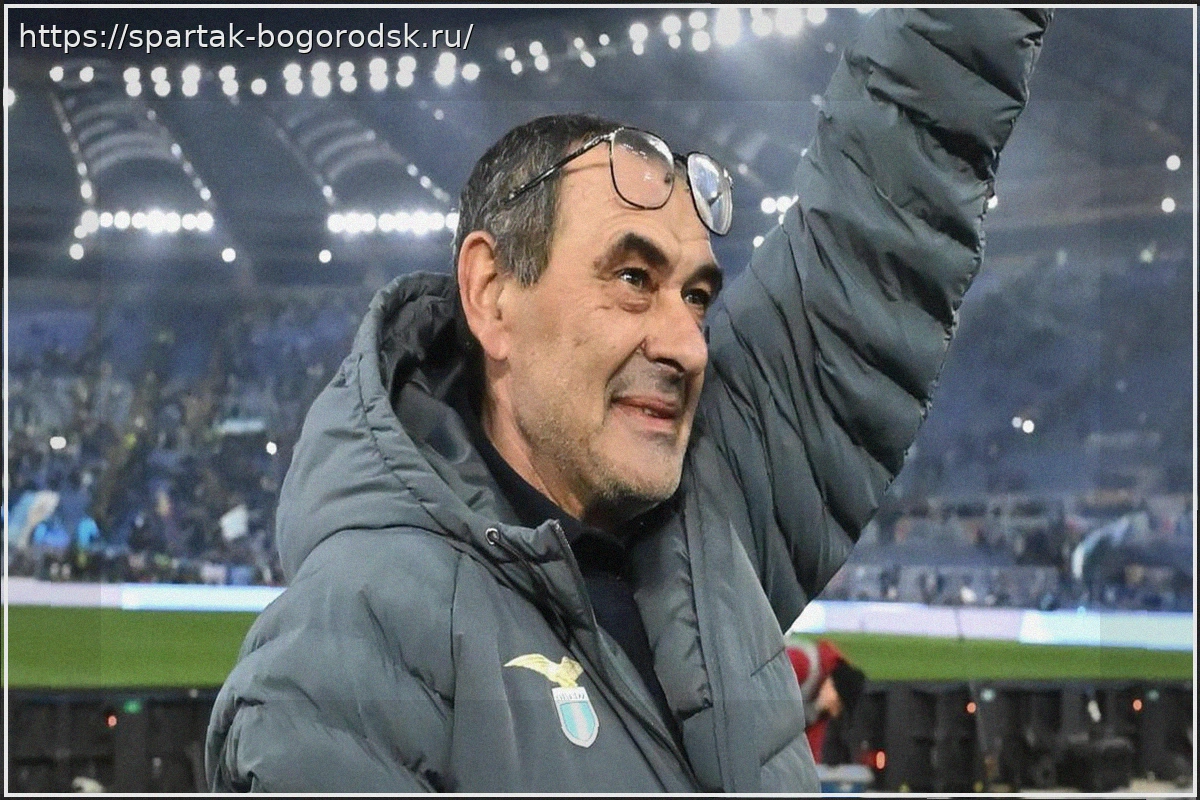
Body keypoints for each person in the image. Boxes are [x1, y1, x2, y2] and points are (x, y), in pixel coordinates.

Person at [206, 9, 1050, 793]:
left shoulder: (706, 527)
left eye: (697, 297)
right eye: (634, 279)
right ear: (491, 294)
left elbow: (884, 211)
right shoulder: (341, 660)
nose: (688, 345)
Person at [787, 638, 867, 763]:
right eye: (837, 705)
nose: (834, 712)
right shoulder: (803, 663)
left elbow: (810, 754)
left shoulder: (818, 709)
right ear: (834, 687)